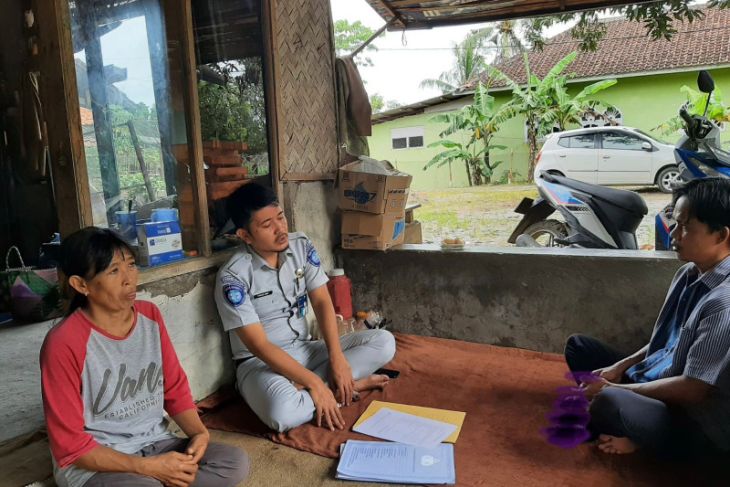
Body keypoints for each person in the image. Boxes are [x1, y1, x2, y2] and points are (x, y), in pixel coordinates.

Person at [40, 227, 249, 487]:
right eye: (114, 271)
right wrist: (149, 469)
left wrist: (199, 434)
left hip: (155, 442)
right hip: (97, 461)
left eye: (130, 265)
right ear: (81, 284)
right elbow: (70, 446)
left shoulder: (149, 316)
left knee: (234, 461)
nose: (129, 279)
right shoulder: (63, 342)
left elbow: (173, 387)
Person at [564, 178, 730, 458]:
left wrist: (616, 387)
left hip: (691, 417)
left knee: (609, 400)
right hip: (658, 378)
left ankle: (642, 437)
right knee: (578, 347)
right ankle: (625, 420)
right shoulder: (688, 273)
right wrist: (619, 366)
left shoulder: (723, 302)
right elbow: (664, 341)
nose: (674, 236)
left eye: (686, 228)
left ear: (721, 235)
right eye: (675, 224)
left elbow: (693, 390)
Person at [215, 183, 396, 432]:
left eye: (281, 217)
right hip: (260, 363)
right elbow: (259, 345)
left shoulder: (300, 245)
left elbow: (321, 301)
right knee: (282, 414)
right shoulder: (233, 277)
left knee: (384, 342)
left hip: (306, 349)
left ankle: (322, 386)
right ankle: (341, 387)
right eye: (267, 225)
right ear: (245, 235)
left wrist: (337, 357)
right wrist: (316, 383)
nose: (280, 229)